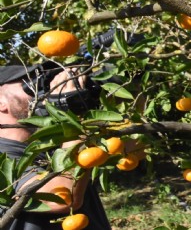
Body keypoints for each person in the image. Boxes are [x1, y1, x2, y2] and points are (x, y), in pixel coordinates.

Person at [0, 63, 111, 230]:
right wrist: (74, 112)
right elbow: (61, 198)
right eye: (29, 85)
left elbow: (133, 150)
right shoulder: (3, 157)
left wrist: (132, 87)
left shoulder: (54, 143)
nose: (41, 92)